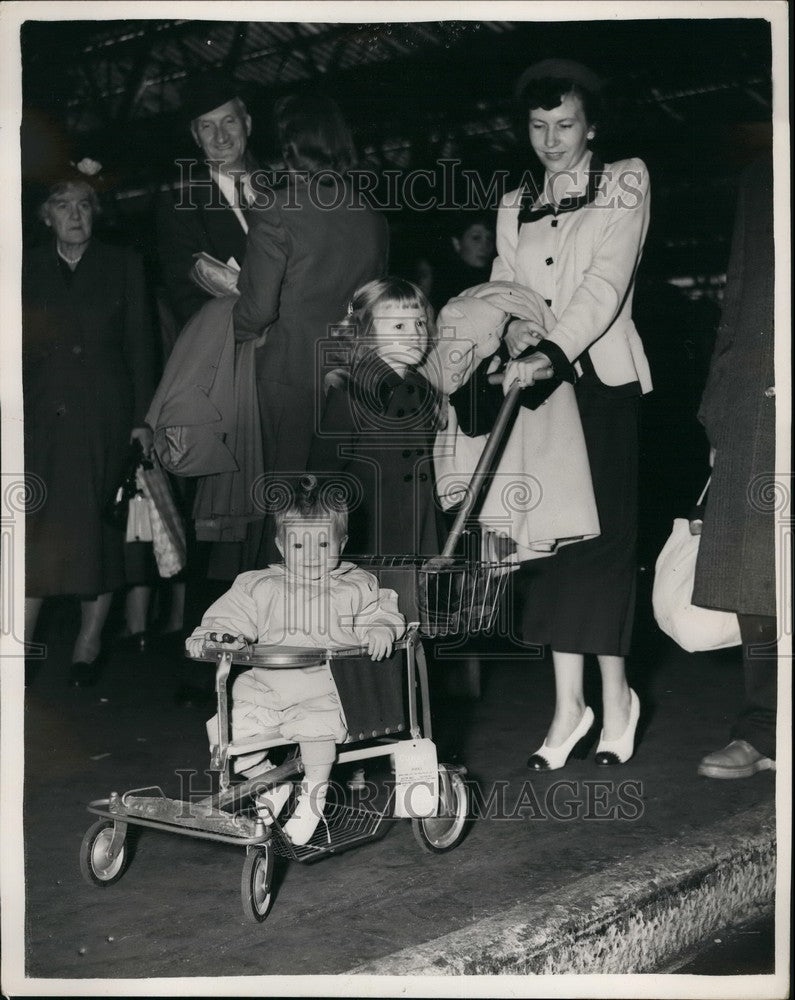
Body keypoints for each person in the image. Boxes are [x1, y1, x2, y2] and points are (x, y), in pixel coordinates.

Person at [493, 59, 652, 769]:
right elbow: (504, 287)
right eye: (538, 126)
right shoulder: (512, 203)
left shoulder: (625, 181)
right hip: (540, 391)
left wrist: (549, 350)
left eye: (565, 124)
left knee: (605, 545)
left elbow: (603, 287)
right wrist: (512, 330)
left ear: (592, 126)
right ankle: (567, 709)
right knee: (553, 544)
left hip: (602, 382)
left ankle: (616, 700)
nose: (551, 140)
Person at [185, 476, 406, 845]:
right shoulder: (259, 585)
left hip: (326, 686)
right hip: (269, 686)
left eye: (324, 543)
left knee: (315, 725)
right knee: (228, 730)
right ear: (280, 545)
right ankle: (269, 782)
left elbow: (380, 610)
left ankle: (314, 796)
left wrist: (381, 628)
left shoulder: (355, 585)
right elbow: (228, 619)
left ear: (342, 543)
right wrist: (214, 637)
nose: (312, 554)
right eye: (299, 544)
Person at [233, 93, 389, 564]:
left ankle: (265, 608)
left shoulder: (277, 208)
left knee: (274, 519)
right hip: (346, 386)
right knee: (323, 518)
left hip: (284, 381)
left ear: (290, 146)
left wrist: (223, 326)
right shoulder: (373, 218)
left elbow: (257, 310)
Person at [23, 170, 156, 686]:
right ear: (46, 216)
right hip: (40, 418)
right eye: (63, 205)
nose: (75, 215)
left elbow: (141, 347)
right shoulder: (24, 267)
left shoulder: (124, 265)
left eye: (83, 204)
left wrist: (142, 420)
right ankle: (20, 645)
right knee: (36, 531)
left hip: (105, 418)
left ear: (95, 212)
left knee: (100, 532)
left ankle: (89, 641)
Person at [693, 154, 777, 779]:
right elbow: (740, 292)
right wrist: (719, 410)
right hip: (759, 395)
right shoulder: (761, 174)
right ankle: (764, 729)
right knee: (757, 568)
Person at [308, 277, 442, 558]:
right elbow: (323, 470)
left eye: (420, 323)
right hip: (370, 530)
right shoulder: (353, 390)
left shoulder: (420, 389)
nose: (416, 334)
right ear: (366, 333)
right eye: (399, 326)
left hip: (418, 524)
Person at [157, 73, 258, 329]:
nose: (220, 137)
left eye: (229, 121)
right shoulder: (182, 214)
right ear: (195, 136)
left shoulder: (288, 188)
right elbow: (187, 301)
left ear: (247, 124)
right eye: (207, 126)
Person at [430, 213, 496, 312]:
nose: (485, 246)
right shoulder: (446, 283)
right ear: (457, 243)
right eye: (476, 238)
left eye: (489, 239)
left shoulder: (493, 277)